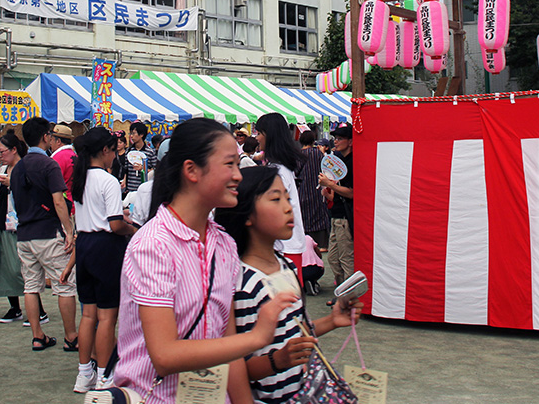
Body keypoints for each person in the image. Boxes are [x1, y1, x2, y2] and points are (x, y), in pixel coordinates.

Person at [113, 118, 295, 403]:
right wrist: (257, 338)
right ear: (191, 170)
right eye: (229, 164)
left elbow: (228, 348)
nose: (238, 175)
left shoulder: (224, 245)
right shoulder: (153, 245)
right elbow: (164, 355)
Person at [214, 165, 360, 404]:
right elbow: (235, 366)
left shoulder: (286, 266)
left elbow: (293, 330)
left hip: (301, 393)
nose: (288, 207)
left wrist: (332, 321)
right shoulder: (240, 283)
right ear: (247, 215)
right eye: (275, 199)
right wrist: (277, 361)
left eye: (288, 198)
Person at [63, 128, 137, 393]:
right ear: (104, 151)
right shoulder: (108, 181)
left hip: (84, 245)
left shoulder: (79, 180)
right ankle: (105, 374)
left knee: (88, 315)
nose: (115, 155)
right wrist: (134, 229)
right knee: (107, 318)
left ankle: (84, 373)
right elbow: (116, 225)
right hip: (106, 247)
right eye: (114, 150)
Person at [10, 117, 78, 351]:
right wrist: (69, 230)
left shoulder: (17, 167)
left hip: (24, 233)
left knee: (31, 285)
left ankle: (37, 335)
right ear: (45, 137)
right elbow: (59, 201)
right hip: (48, 232)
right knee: (65, 284)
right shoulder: (49, 165)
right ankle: (71, 336)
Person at [0, 130, 45, 325]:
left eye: (2, 152)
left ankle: (39, 310)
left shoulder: (26, 168)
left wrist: (14, 184)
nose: (0, 156)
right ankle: (15, 307)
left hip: (18, 225)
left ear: (14, 149)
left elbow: (32, 196)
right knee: (2, 267)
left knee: (19, 268)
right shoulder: (2, 170)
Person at [254, 114, 306, 276]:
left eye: (259, 133)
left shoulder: (278, 171)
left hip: (284, 246)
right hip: (286, 244)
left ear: (269, 135)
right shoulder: (280, 167)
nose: (257, 138)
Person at [319, 124, 355, 286]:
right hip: (336, 214)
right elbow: (341, 190)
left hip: (346, 216)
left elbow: (352, 192)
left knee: (346, 258)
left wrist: (330, 185)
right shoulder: (340, 161)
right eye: (335, 138)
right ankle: (343, 292)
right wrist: (329, 192)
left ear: (351, 142)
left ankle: (349, 299)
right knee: (333, 258)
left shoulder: (354, 162)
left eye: (340, 139)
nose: (336, 142)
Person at [296, 130, 330, 250]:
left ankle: (305, 242)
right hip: (317, 189)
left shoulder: (299, 155)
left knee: (304, 216)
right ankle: (321, 243)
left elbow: (295, 172)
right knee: (319, 215)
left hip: (302, 190)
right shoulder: (319, 154)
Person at [124, 122, 157, 194]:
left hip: (145, 190)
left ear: (141, 135)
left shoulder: (150, 152)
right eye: (130, 134)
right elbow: (126, 170)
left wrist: (143, 169)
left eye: (133, 133)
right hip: (130, 190)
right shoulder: (128, 151)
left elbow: (156, 170)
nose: (131, 136)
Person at [49, 123, 76, 201]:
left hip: (64, 202)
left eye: (52, 140)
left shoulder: (56, 158)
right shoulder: (75, 155)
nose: (50, 143)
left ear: (58, 141)